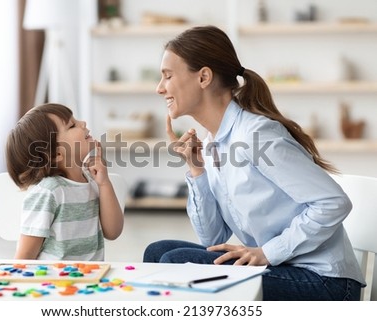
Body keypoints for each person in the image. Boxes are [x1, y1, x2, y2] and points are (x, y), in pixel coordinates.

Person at [143, 25, 365, 300]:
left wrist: (266, 253)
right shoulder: (212, 142)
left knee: (175, 264)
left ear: (203, 77)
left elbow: (333, 202)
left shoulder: (255, 135)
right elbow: (212, 240)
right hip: (282, 268)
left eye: (167, 76)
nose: (159, 88)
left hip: (324, 281)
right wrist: (196, 169)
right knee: (158, 252)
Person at [5, 103, 123, 260]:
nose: (83, 123)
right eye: (72, 125)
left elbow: (113, 232)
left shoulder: (93, 180)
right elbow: (25, 256)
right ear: (57, 154)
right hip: (55, 282)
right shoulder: (49, 192)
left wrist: (104, 183)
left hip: (92, 280)